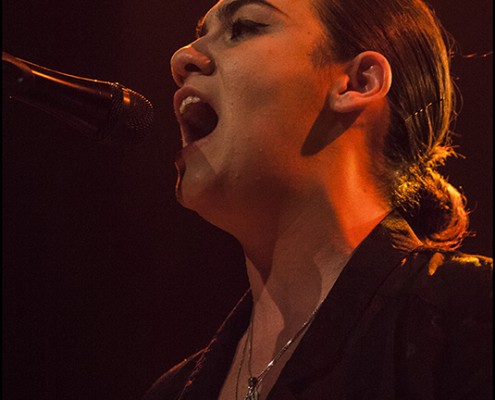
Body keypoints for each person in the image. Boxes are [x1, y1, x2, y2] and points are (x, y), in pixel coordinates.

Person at [143, 0, 493, 399]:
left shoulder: (469, 319)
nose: (182, 57)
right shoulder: (172, 392)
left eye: (244, 27)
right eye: (199, 35)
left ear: (359, 82)